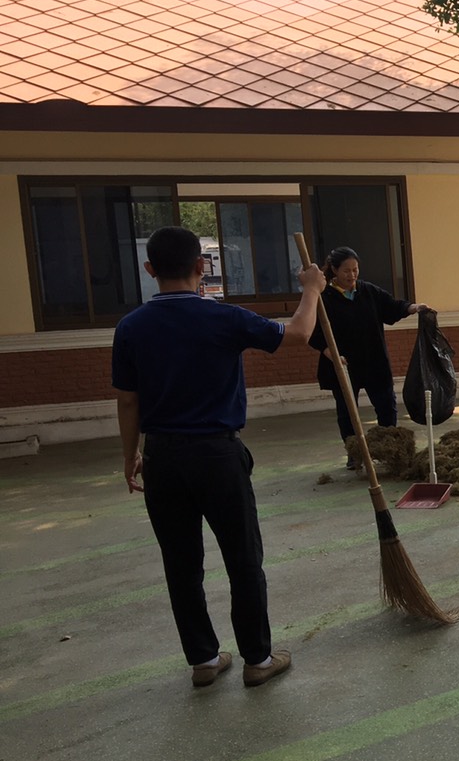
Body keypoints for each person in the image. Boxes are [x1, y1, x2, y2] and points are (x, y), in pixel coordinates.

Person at [112, 226, 326, 688]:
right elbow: (299, 333)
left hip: (162, 458)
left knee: (181, 564)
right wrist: (311, 289)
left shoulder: (131, 327)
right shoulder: (224, 318)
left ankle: (204, 661)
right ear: (200, 266)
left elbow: (128, 401)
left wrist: (132, 455)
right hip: (217, 455)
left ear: (149, 269)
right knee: (242, 558)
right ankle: (257, 659)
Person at [310, 246, 431, 466]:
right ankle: (355, 454)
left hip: (374, 361)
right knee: (348, 413)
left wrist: (413, 307)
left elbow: (391, 307)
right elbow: (312, 332)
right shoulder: (323, 298)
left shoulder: (368, 291)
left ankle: (389, 450)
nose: (352, 275)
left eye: (355, 269)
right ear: (335, 270)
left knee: (386, 407)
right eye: (346, 271)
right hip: (344, 365)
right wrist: (329, 352)